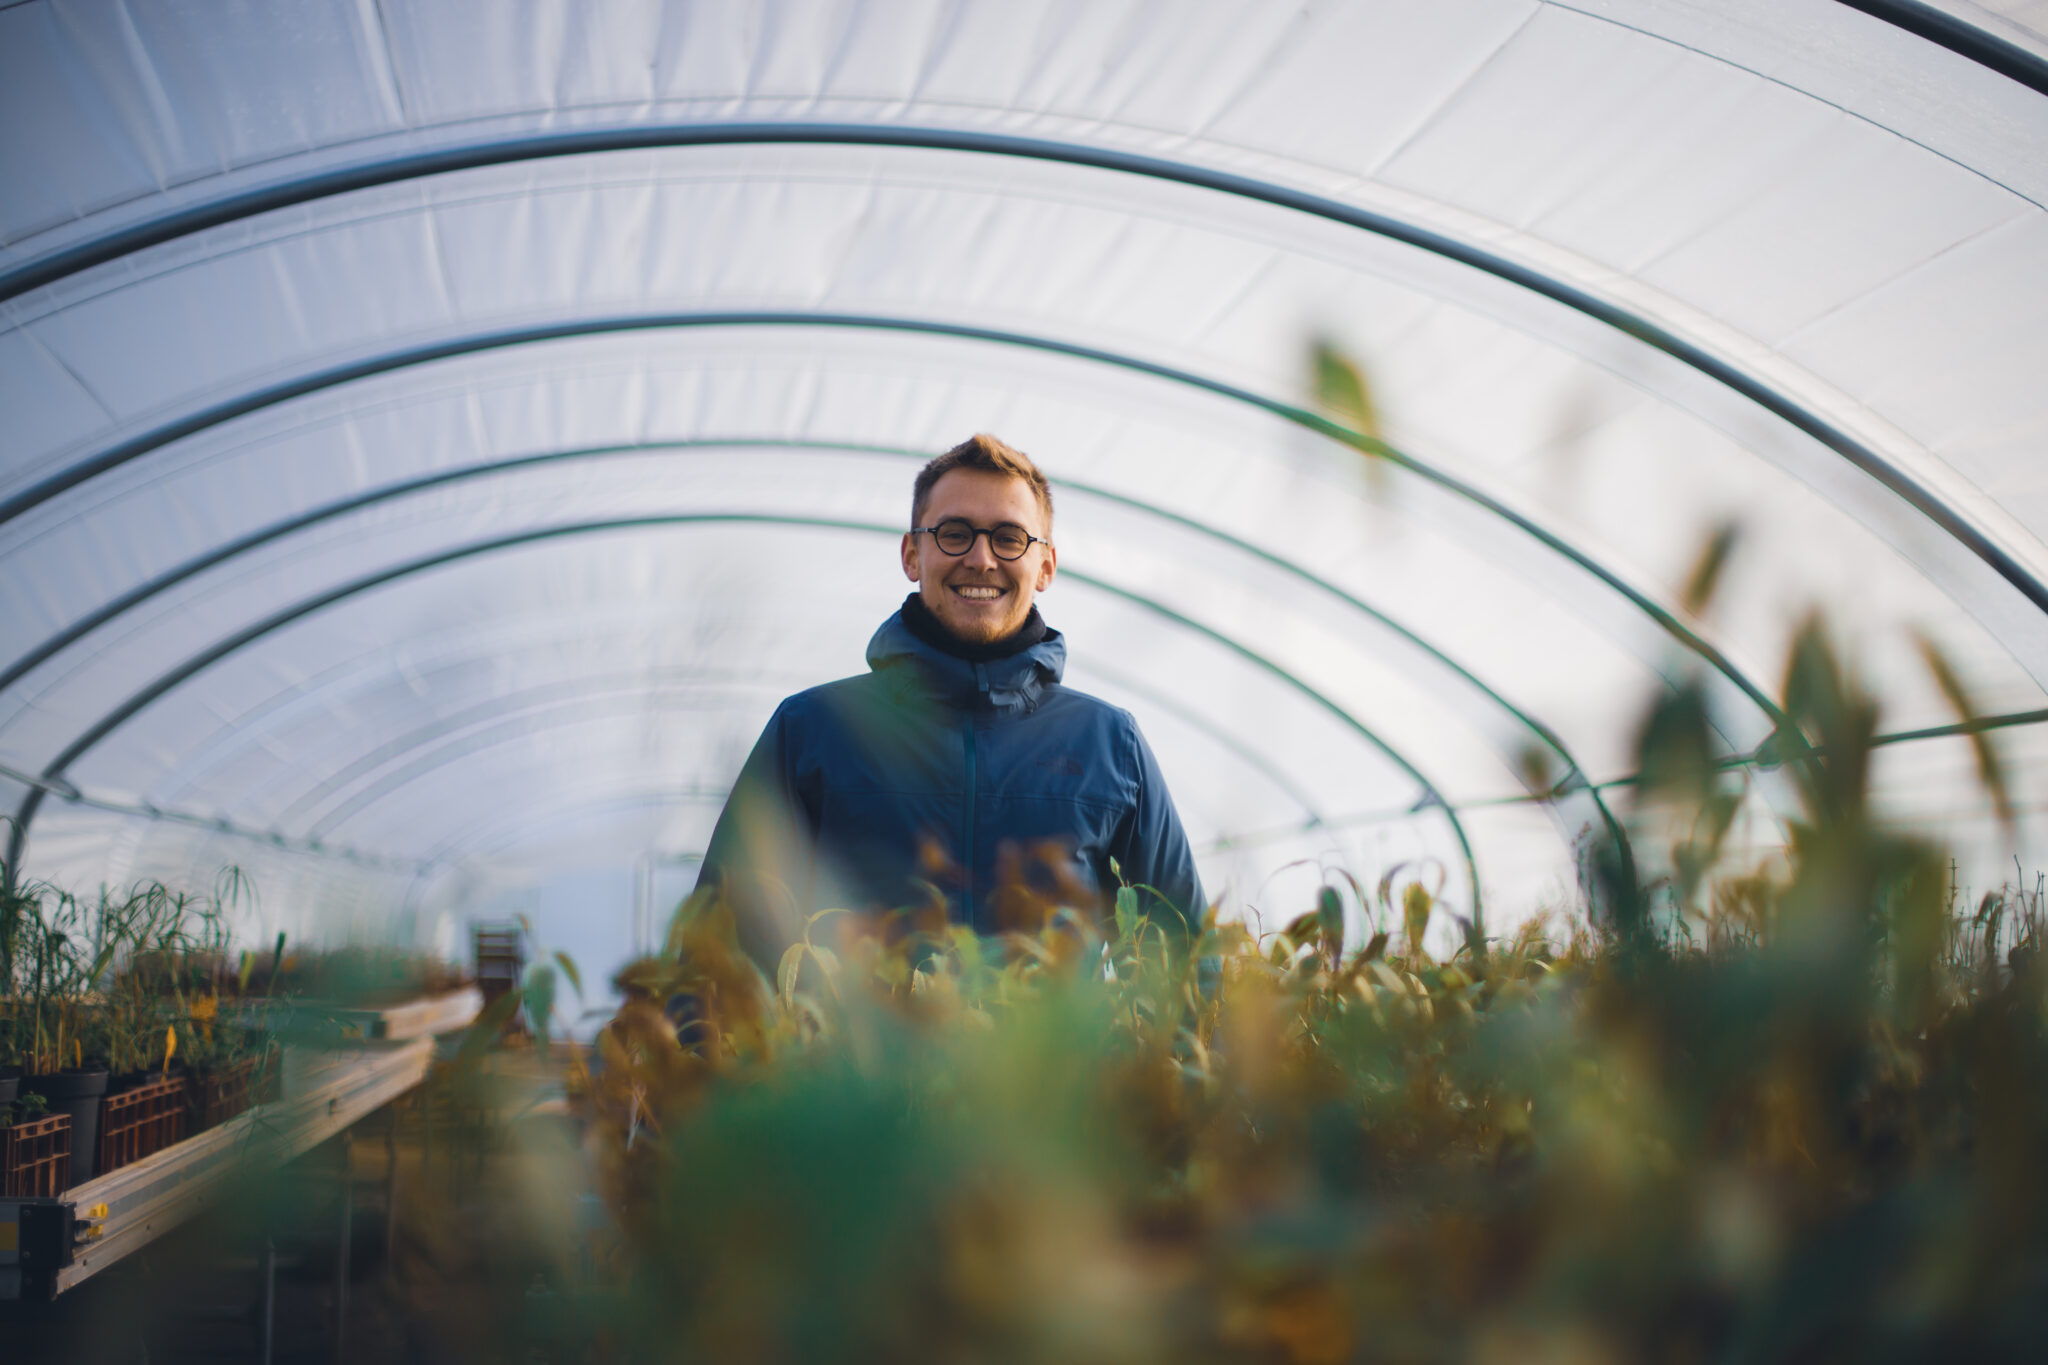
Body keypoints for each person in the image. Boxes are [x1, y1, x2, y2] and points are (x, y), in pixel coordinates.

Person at [696, 433, 1204, 967]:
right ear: (913, 554)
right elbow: (719, 957)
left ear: (1046, 566)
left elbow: (1186, 962)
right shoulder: (811, 730)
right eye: (954, 533)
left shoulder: (1110, 745)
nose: (981, 559)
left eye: (1009, 538)